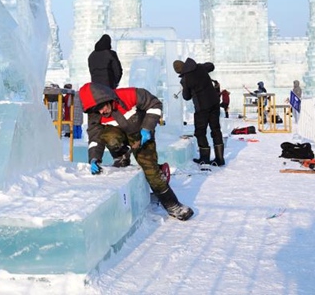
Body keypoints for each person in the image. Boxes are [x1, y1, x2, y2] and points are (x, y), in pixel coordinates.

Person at [79, 82, 193, 221]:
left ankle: (173, 206)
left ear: (106, 98)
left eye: (101, 107)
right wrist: (94, 158)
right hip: (119, 134)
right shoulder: (95, 114)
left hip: (140, 132)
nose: (101, 112)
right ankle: (122, 155)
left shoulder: (129, 95)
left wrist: (147, 128)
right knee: (109, 137)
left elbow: (155, 104)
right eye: (97, 110)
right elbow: (95, 137)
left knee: (150, 170)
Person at [175, 58, 225, 167]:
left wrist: (185, 86)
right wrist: (202, 67)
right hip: (214, 102)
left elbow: (186, 97)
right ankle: (220, 159)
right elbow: (211, 65)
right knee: (216, 129)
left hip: (202, 107)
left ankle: (204, 158)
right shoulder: (200, 67)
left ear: (179, 71)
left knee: (200, 132)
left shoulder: (185, 79)